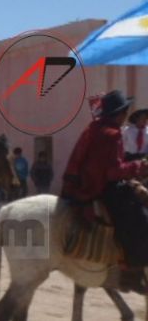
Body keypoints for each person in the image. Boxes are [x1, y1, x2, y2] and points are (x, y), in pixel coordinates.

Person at [61, 90, 148, 292]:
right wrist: (139, 167)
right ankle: (130, 270)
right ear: (120, 113)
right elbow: (112, 172)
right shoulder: (112, 134)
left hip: (79, 185)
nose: (126, 115)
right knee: (137, 218)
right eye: (125, 111)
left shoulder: (93, 128)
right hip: (98, 187)